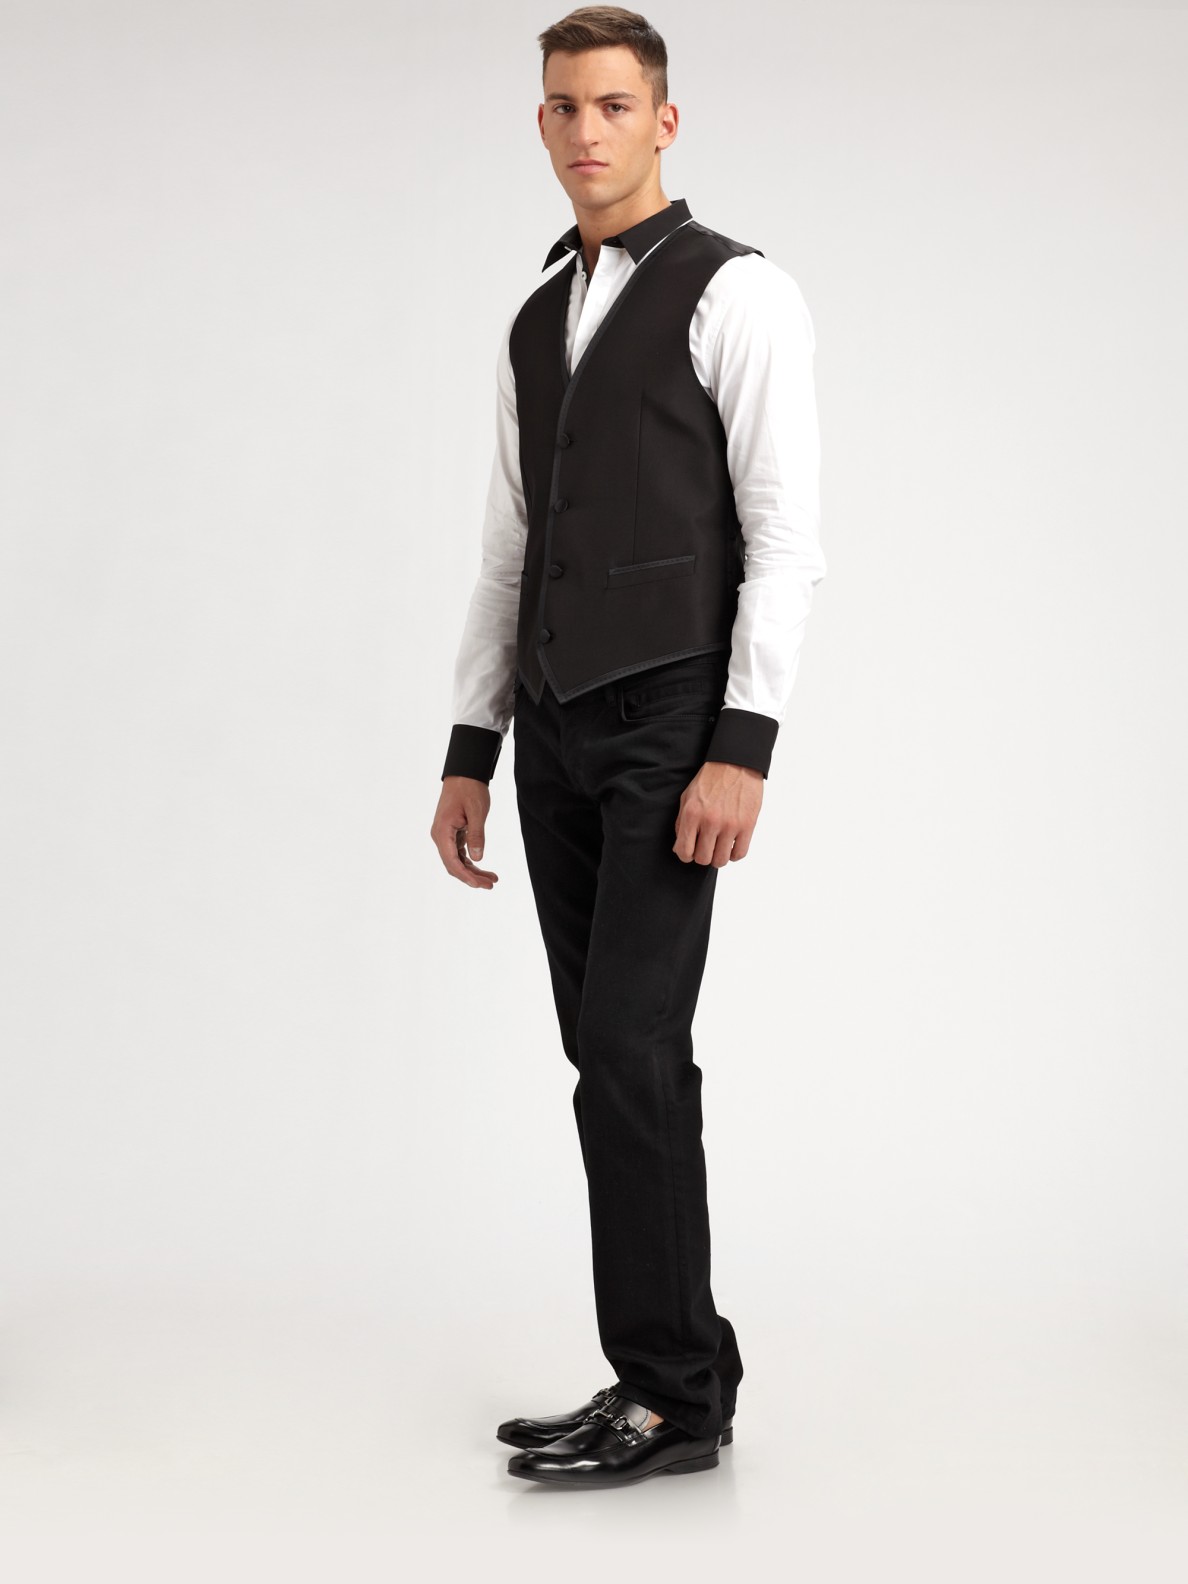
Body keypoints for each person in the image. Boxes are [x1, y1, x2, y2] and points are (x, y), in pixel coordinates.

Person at [429, 5, 826, 1488]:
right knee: (606, 1057)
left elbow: (784, 536)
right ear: (539, 124)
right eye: (562, 106)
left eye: (612, 104)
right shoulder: (534, 320)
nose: (585, 130)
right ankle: (669, 1372)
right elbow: (510, 547)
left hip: (672, 723)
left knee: (630, 1048)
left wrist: (744, 743)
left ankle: (673, 1394)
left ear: (665, 120)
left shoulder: (741, 293)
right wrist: (471, 746)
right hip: (553, 728)